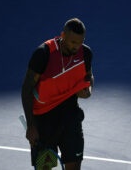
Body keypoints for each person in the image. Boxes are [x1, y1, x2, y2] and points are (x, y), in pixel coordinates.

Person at [21, 18, 94, 170]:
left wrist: (88, 91)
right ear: (63, 36)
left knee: (74, 166)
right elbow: (26, 89)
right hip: (44, 120)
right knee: (45, 167)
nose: (76, 46)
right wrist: (31, 125)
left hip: (70, 115)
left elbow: (89, 77)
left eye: (80, 42)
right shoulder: (43, 54)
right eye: (73, 42)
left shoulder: (85, 53)